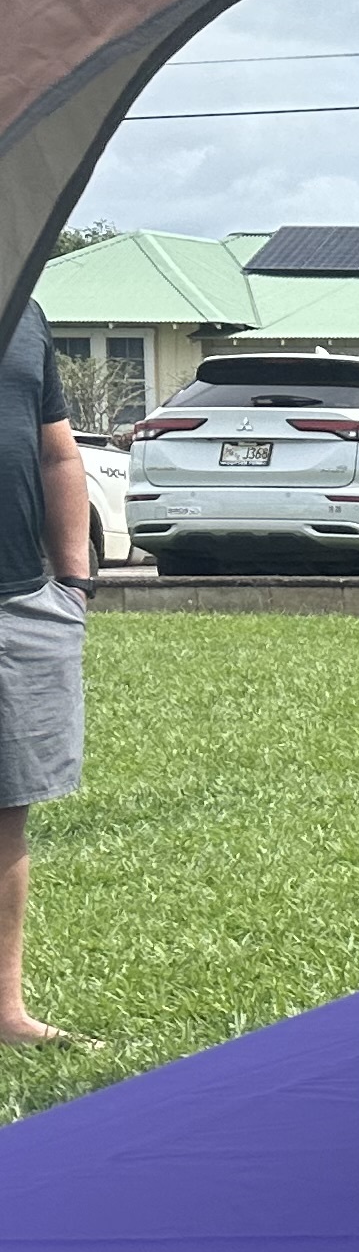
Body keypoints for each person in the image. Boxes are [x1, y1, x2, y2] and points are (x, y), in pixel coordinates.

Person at [0, 301, 91, 1044]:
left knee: (8, 808)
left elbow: (58, 454)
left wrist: (73, 583)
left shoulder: (24, 311)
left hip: (22, 604)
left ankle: (5, 1012)